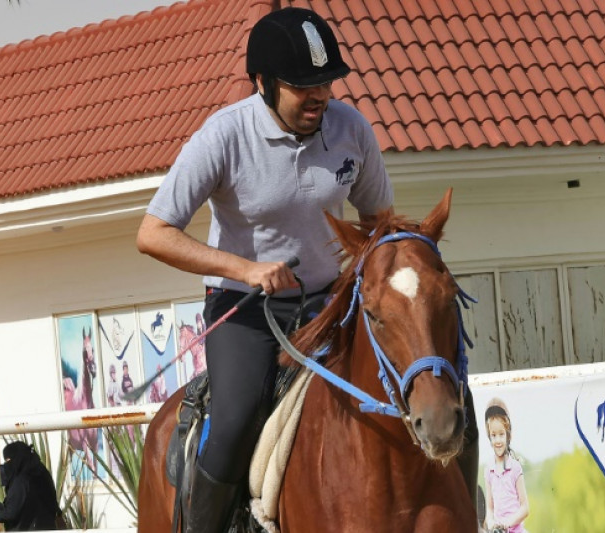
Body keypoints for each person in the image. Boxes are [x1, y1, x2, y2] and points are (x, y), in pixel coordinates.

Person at [136, 7, 477, 532]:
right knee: (233, 421)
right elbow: (152, 233)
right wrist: (245, 268)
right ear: (264, 84)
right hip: (246, 309)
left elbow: (378, 224)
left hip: (331, 302)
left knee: (449, 392)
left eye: (326, 83)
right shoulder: (222, 136)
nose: (319, 96)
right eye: (303, 86)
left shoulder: (350, 130)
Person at [0, 441, 62, 531]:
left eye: (8, 460)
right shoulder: (42, 473)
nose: (7, 465)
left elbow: (10, 513)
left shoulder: (21, 481)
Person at [483, 399, 530, 533]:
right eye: (494, 435)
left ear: (508, 435)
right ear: (489, 437)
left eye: (501, 434)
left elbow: (525, 508)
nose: (498, 440)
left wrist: (507, 523)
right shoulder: (488, 471)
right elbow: (490, 508)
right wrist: (491, 522)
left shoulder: (515, 468)